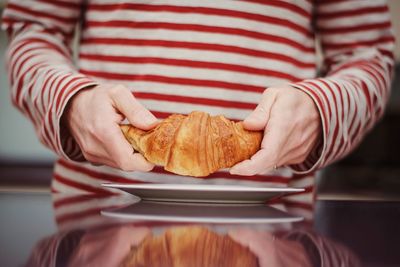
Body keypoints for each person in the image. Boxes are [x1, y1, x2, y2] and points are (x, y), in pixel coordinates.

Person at [2, 0, 395, 208]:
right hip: (95, 222)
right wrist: (71, 103)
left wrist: (319, 109)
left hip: (274, 232)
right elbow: (32, 29)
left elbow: (367, 54)